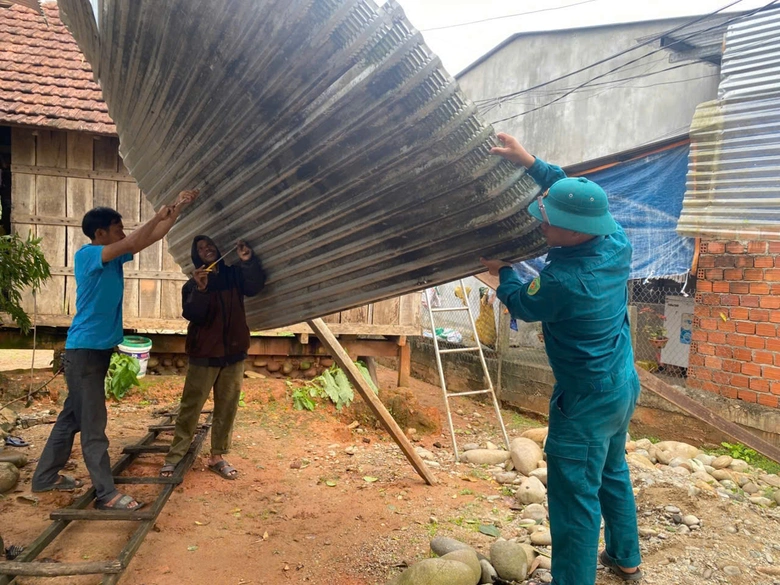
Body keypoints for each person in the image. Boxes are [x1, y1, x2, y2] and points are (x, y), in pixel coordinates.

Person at [481, 133, 642, 585]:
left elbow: (522, 302)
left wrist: (504, 270)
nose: (541, 226)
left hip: (586, 400)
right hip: (620, 385)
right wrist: (531, 162)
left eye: (548, 222)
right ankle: (626, 558)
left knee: (574, 498)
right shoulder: (616, 240)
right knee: (612, 469)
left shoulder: (566, 281)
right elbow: (574, 191)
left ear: (574, 233)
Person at [32, 190, 199, 510]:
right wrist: (158, 215)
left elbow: (147, 239)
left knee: (72, 418)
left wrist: (176, 211)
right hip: (85, 353)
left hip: (94, 351)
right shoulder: (88, 255)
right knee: (93, 424)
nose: (122, 234)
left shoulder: (111, 255)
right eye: (117, 228)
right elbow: (134, 241)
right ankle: (106, 494)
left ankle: (44, 477)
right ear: (100, 234)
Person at [160, 235, 265, 480]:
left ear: (218, 248)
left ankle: (217, 456)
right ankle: (175, 457)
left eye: (210, 246)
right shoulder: (193, 283)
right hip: (204, 354)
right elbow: (193, 315)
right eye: (200, 248)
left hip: (234, 353)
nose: (206, 250)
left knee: (227, 407)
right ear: (196, 255)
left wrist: (248, 261)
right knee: (191, 407)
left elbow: (254, 287)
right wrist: (201, 289)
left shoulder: (234, 275)